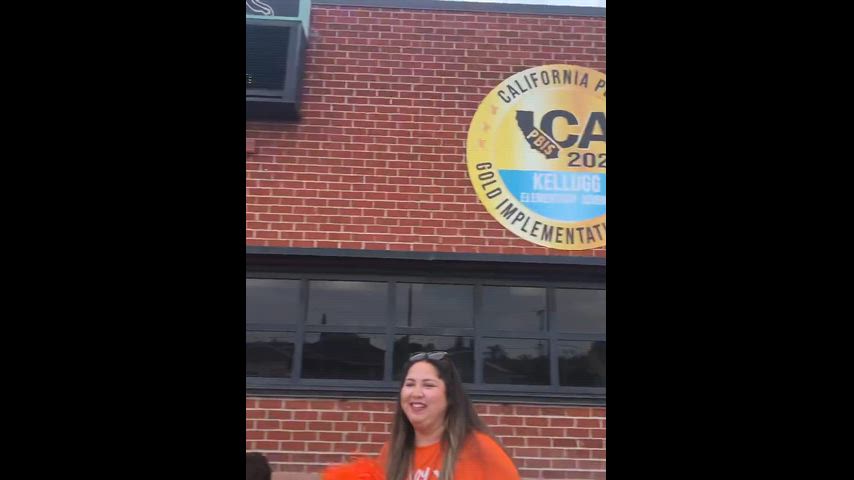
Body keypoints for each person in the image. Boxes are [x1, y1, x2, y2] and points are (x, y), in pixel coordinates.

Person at [377, 351, 520, 480]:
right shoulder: (390, 452)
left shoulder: (480, 450)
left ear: (450, 396)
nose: (416, 393)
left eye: (429, 385)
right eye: (409, 384)